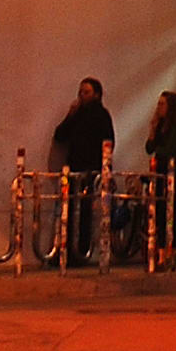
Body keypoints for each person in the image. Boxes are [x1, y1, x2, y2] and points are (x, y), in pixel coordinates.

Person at [51, 78, 114, 264]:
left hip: (91, 170)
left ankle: (82, 251)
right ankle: (67, 249)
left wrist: (103, 169)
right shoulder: (77, 114)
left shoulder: (102, 115)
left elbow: (108, 143)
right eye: (80, 92)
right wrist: (70, 116)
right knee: (68, 210)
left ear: (96, 94)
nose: (82, 96)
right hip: (74, 168)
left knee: (86, 211)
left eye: (86, 92)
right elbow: (60, 135)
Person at [144, 91, 176, 264]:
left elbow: (169, 149)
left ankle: (171, 248)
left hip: (174, 169)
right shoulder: (161, 124)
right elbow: (149, 147)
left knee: (173, 209)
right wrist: (153, 131)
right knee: (160, 209)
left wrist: (158, 150)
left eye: (162, 104)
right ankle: (160, 249)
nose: (159, 107)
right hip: (161, 169)